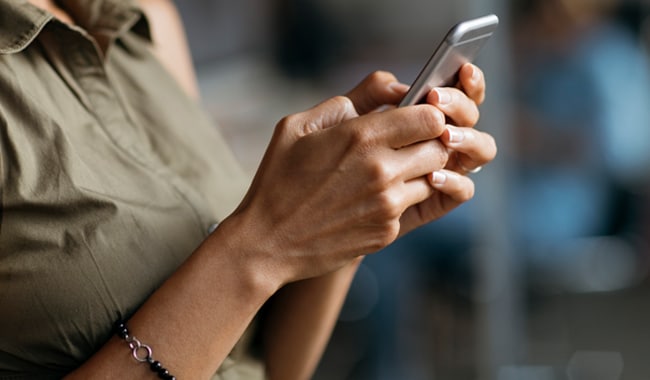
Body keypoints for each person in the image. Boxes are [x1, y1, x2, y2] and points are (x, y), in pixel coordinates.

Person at [0, 0, 497, 379]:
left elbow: (268, 368)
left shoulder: (142, 21)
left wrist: (347, 224)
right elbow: (254, 255)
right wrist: (263, 243)